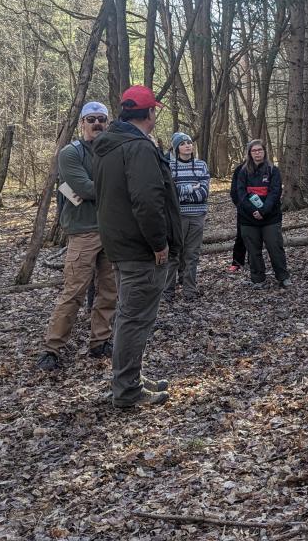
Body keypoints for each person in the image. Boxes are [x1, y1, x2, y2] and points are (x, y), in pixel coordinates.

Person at [92, 85, 180, 408]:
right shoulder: (137, 148)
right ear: (149, 114)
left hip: (121, 245)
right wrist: (159, 243)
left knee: (129, 316)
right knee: (134, 319)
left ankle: (129, 378)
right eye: (154, 110)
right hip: (141, 249)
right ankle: (127, 389)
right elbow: (147, 201)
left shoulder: (108, 146)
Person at [37, 101, 118, 372]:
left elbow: (97, 188)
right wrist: (115, 188)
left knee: (109, 291)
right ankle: (52, 348)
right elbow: (82, 187)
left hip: (112, 231)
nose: (97, 124)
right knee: (74, 292)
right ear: (82, 123)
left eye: (102, 119)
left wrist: (100, 189)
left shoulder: (113, 151)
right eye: (91, 119)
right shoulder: (70, 153)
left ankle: (101, 341)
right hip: (83, 233)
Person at [233, 139, 291, 288]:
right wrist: (253, 211)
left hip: (270, 217)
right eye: (254, 150)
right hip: (248, 218)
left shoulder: (273, 170)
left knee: (275, 247)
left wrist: (263, 211)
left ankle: (283, 276)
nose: (257, 153)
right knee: (253, 250)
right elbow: (240, 193)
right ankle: (258, 279)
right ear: (249, 153)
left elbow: (275, 192)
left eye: (260, 150)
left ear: (264, 152)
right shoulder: (243, 171)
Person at [165, 132, 210, 300]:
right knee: (174, 255)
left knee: (192, 255)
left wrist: (181, 192)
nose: (187, 145)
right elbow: (170, 194)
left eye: (189, 142)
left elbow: (204, 193)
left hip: (197, 216)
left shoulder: (201, 165)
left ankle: (189, 290)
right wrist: (191, 188)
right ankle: (168, 291)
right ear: (177, 148)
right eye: (183, 143)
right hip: (177, 218)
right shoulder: (169, 166)